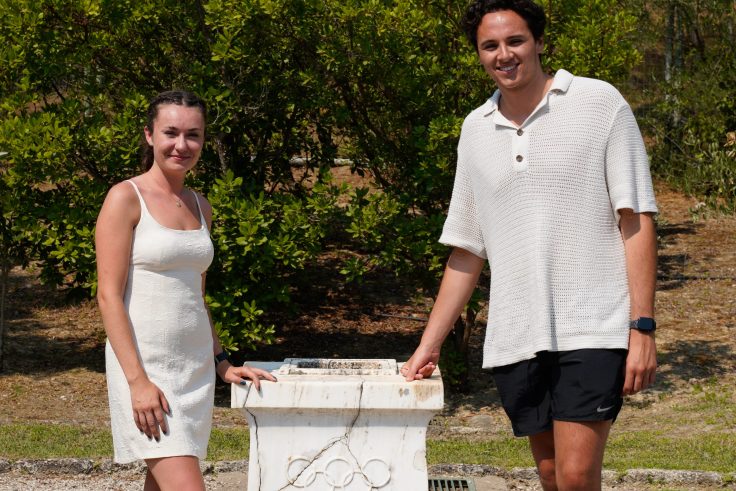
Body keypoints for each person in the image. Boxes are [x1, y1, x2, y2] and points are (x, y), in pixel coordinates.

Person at [401, 1, 658, 489]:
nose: (505, 54)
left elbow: (636, 218)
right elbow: (466, 250)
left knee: (577, 475)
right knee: (551, 475)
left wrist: (641, 326)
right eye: (490, 45)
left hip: (593, 325)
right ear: (478, 54)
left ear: (538, 42)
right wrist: (428, 345)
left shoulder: (599, 103)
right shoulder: (474, 129)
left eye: (515, 41)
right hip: (517, 334)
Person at [95, 90, 276, 490]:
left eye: (193, 135)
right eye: (171, 132)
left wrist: (222, 362)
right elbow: (108, 296)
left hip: (194, 370)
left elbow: (197, 297)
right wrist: (137, 382)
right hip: (146, 370)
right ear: (149, 135)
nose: (182, 145)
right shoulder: (125, 198)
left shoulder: (200, 205)